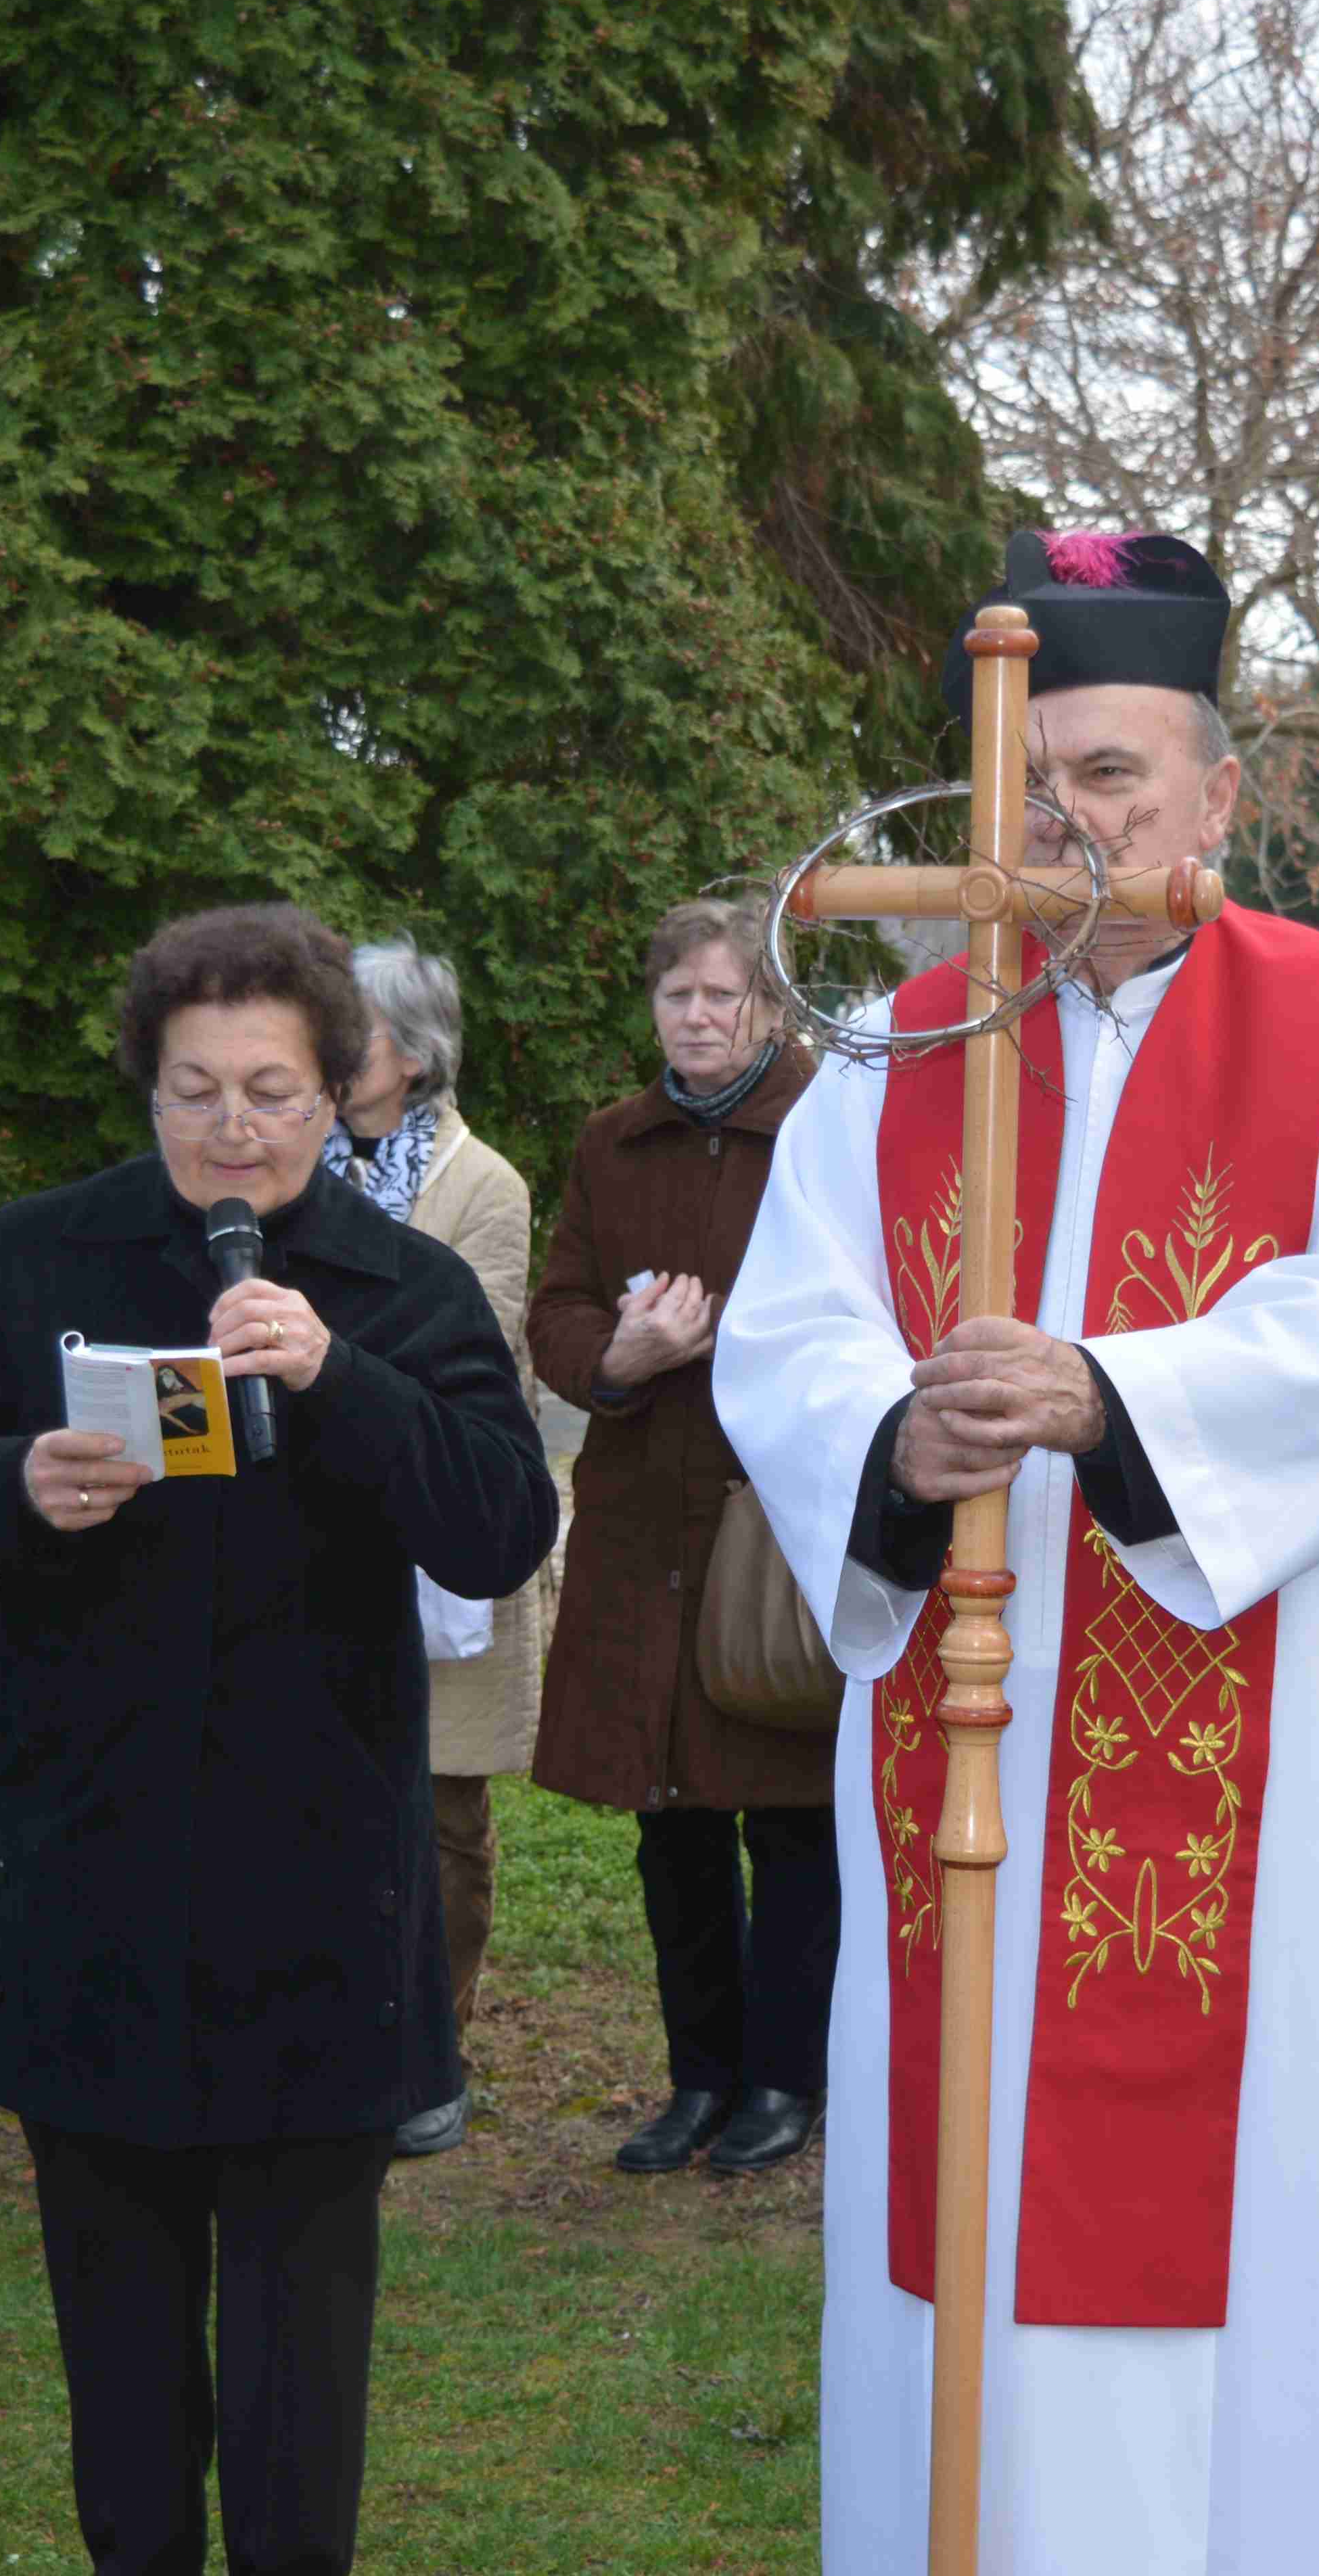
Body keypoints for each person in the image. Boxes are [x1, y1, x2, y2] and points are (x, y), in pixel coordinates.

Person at [713, 528, 1319, 2573]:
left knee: (1279, 2267)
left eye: (1112, 774)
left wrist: (1111, 1395)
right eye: (1027, 778)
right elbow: (790, 1337)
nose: (1063, 821)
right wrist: (896, 1432)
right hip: (969, 1786)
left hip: (1286, 1794)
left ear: (1219, 797)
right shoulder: (896, 1055)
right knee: (968, 2223)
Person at [0, 903, 555, 2576]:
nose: (233, 1128)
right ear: (146, 1086)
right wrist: (17, 1482)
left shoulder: (402, 1284)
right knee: (121, 2356)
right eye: (194, 1091)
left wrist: (341, 1376)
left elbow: (499, 1526)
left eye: (271, 1091)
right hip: (86, 1876)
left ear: (341, 1092)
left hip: (316, 1894)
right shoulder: (35, 1257)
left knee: (300, 2368)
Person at [526, 900, 836, 2179]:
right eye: (677, 996)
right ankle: (699, 2078)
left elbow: (872, 1300)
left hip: (774, 1522)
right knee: (673, 1822)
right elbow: (557, 1305)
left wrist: (741, 1343)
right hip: (644, 1517)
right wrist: (623, 1352)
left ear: (768, 1007)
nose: (698, 1018)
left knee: (791, 1815)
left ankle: (787, 2078)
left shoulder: (831, 1131)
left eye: (723, 996)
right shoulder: (615, 1142)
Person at [328, 935, 556, 2160]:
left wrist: (331, 1365)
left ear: (410, 1058)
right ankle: (337, 2035)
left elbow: (478, 1342)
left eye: (349, 1031)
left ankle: (435, 2046)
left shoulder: (485, 1184)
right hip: (314, 1517)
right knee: (328, 1785)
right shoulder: (289, 1161)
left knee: (441, 1805)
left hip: (439, 1511)